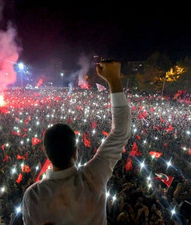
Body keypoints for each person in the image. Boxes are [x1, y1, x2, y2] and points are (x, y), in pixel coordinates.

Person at [22, 61, 132, 225]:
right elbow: (121, 131)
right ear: (75, 151)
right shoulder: (93, 178)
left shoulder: (33, 196)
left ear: (46, 153)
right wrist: (114, 80)